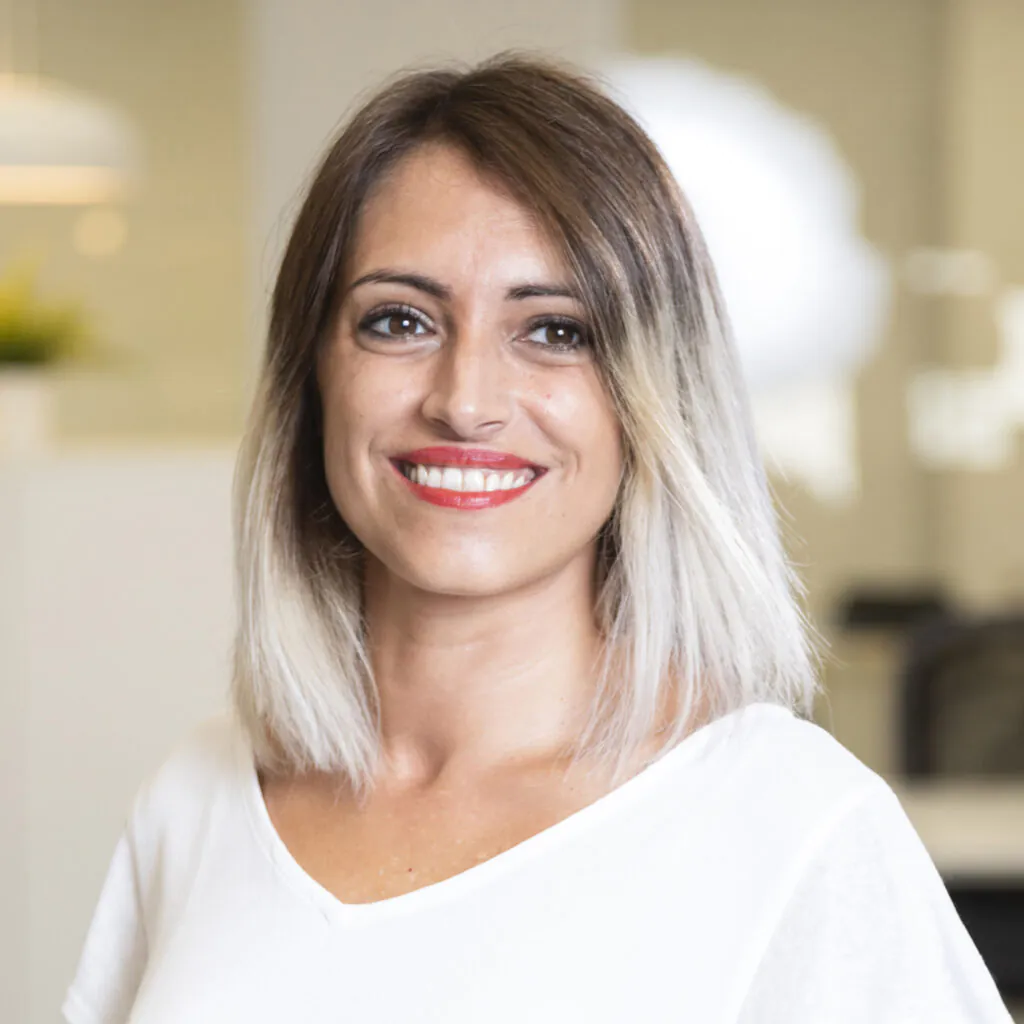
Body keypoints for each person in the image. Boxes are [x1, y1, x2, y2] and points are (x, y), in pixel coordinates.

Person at [62, 52, 1013, 1023]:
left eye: (556, 331)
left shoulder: (794, 827)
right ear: (313, 377)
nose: (465, 400)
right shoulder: (199, 798)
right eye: (399, 321)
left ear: (653, 398)